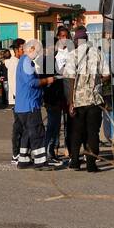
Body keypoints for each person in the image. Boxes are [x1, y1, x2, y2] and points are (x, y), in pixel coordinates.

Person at [63, 26, 108, 172]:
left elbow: (70, 80)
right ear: (87, 39)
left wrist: (70, 103)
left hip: (78, 101)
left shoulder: (73, 55)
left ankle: (75, 162)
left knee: (76, 131)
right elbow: (107, 75)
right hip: (94, 100)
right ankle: (91, 164)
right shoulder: (98, 53)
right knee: (92, 132)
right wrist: (97, 80)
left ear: (76, 40)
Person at [13, 37, 57, 169]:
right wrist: (47, 81)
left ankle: (23, 159)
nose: (37, 54)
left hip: (22, 106)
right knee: (37, 132)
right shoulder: (26, 61)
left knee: (27, 133)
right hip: (30, 105)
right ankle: (40, 162)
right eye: (37, 51)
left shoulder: (22, 61)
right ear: (31, 49)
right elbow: (31, 83)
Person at [43, 26, 72, 166]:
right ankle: (50, 151)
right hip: (53, 96)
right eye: (61, 36)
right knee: (53, 125)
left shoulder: (72, 53)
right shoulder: (51, 56)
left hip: (67, 94)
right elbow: (45, 78)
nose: (63, 39)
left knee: (69, 124)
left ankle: (69, 149)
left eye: (65, 36)